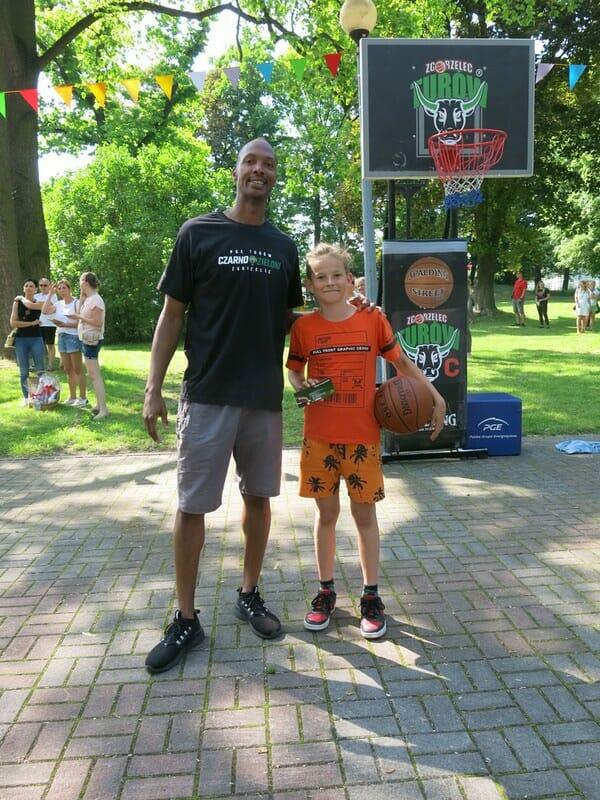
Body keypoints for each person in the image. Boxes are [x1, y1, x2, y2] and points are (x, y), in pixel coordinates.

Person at [142, 138, 305, 674]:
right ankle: (185, 618)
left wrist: (347, 310)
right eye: (250, 162)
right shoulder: (198, 233)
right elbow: (172, 315)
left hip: (263, 399)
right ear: (236, 171)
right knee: (192, 507)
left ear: (274, 177)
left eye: (269, 164)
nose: (259, 170)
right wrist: (153, 387)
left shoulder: (284, 247)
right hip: (208, 393)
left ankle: (249, 594)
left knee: (259, 500)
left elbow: (293, 322)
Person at [286, 243, 446, 639]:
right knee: (326, 516)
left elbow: (402, 363)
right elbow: (294, 370)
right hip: (320, 438)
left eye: (336, 275)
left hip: (362, 438)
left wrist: (435, 396)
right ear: (310, 285)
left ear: (350, 279)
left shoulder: (373, 319)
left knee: (364, 517)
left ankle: (371, 596)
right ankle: (325, 592)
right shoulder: (304, 328)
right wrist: (300, 385)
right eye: (320, 277)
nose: (329, 282)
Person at [66, 272, 108, 417]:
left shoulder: (96, 300)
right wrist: (81, 298)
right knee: (92, 374)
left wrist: (78, 316)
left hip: (92, 340)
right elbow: (80, 314)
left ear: (85, 282)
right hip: (86, 339)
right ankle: (99, 405)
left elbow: (97, 322)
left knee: (94, 375)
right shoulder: (89, 299)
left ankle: (103, 410)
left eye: (80, 281)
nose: (79, 284)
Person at [41, 280, 88, 406]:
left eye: (64, 288)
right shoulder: (58, 304)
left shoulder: (76, 303)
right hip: (61, 337)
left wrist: (65, 324)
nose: (61, 290)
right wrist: (50, 294)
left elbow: (80, 322)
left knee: (78, 369)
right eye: (59, 288)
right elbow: (44, 311)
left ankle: (83, 398)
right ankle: (72, 397)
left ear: (69, 289)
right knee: (67, 369)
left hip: (73, 337)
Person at [10, 279, 45, 405]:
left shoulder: (39, 303)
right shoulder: (16, 303)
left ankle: (41, 397)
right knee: (24, 371)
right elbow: (13, 323)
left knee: (40, 369)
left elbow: (30, 306)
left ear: (35, 289)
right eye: (26, 286)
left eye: (31, 286)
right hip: (21, 340)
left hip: (36, 339)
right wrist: (31, 323)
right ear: (23, 288)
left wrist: (20, 298)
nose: (29, 288)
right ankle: (26, 398)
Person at [34, 277, 58, 369]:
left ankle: (50, 365)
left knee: (50, 345)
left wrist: (39, 304)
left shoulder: (53, 296)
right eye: (41, 285)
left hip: (50, 324)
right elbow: (33, 307)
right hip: (38, 324)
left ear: (49, 286)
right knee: (38, 345)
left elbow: (50, 306)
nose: (43, 287)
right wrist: (43, 304)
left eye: (45, 285)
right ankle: (38, 364)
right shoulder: (36, 296)